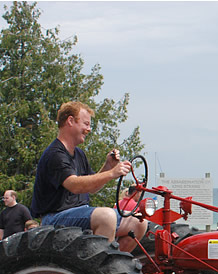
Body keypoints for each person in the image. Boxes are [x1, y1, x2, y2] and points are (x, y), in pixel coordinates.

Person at [30, 101, 147, 252]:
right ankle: (100, 271)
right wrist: (112, 173)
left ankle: (117, 266)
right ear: (70, 121)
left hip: (79, 212)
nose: (89, 129)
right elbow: (74, 185)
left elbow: (92, 188)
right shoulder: (55, 154)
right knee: (106, 216)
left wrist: (107, 167)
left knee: (138, 222)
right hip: (55, 218)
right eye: (86, 124)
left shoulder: (79, 154)